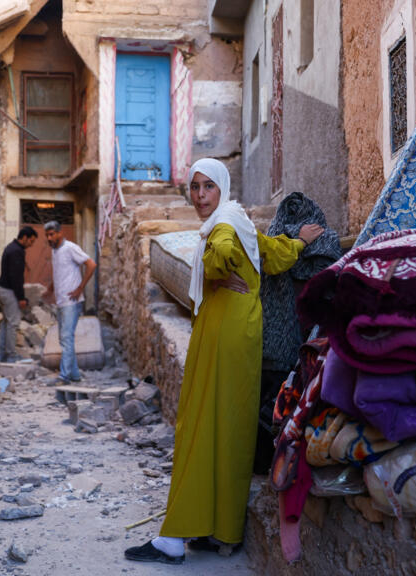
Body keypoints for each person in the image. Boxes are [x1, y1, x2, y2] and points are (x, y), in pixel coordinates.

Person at [124, 158, 323, 564]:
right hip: (241, 337)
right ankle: (221, 532)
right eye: (194, 187)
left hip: (220, 335)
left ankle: (173, 539)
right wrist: (301, 242)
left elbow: (223, 251)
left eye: (207, 187)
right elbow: (273, 254)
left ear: (222, 189)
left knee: (196, 428)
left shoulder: (224, 225)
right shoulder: (240, 218)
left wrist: (216, 267)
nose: (200, 196)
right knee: (228, 430)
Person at [44, 220, 96, 384]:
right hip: (61, 301)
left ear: (60, 233)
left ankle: (64, 376)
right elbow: (59, 271)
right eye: (47, 235)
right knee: (65, 339)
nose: (49, 238)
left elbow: (91, 265)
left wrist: (80, 287)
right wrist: (51, 289)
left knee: (66, 338)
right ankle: (74, 375)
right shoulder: (55, 251)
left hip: (72, 301)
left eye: (52, 234)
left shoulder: (70, 248)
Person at [0, 227, 39, 363]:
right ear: (24, 237)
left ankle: (1, 354)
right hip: (8, 291)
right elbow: (16, 277)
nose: (31, 245)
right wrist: (21, 298)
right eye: (31, 241)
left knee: (6, 323)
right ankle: (11, 356)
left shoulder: (11, 247)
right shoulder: (17, 251)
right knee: (13, 324)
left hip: (1, 288)